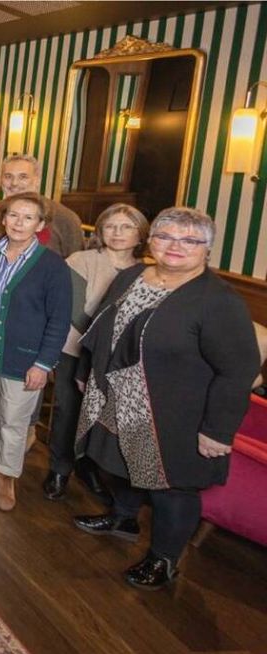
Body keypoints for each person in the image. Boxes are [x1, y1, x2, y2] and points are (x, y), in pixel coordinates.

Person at [72, 208, 259, 590]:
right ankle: (123, 517)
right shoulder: (131, 275)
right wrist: (87, 371)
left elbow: (238, 371)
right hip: (122, 397)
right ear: (151, 241)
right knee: (123, 462)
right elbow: (103, 326)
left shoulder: (217, 301)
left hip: (174, 413)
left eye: (189, 240)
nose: (175, 246)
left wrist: (217, 431)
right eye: (165, 237)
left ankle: (164, 559)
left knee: (171, 488)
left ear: (207, 249)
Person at [0, 195, 71, 512]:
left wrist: (43, 363)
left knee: (14, 419)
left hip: (24, 357)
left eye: (28, 218)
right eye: (13, 215)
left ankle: (7, 476)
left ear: (40, 225)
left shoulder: (52, 266)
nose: (18, 223)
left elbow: (59, 319)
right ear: (3, 219)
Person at [42, 204, 147, 501]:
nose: (117, 233)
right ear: (100, 231)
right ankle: (60, 468)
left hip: (121, 358)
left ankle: (87, 465)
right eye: (110, 226)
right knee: (69, 410)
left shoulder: (148, 271)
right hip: (75, 348)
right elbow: (74, 311)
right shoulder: (81, 260)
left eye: (126, 226)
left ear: (140, 234)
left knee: (103, 415)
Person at [0, 154, 83, 257]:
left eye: (23, 177)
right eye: (8, 176)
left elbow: (76, 263)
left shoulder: (65, 218)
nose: (14, 183)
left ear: (37, 181)